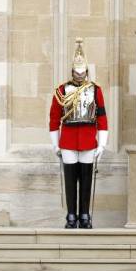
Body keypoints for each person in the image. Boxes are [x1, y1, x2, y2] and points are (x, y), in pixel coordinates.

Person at [49, 38, 108, 229]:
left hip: (88, 138)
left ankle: (84, 214)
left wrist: (102, 143)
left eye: (83, 72)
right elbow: (54, 118)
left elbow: (102, 117)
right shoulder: (61, 90)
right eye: (77, 72)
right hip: (68, 139)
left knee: (86, 178)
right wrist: (55, 143)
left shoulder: (95, 90)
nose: (80, 75)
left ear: (87, 72)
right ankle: (71, 215)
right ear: (72, 71)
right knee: (70, 178)